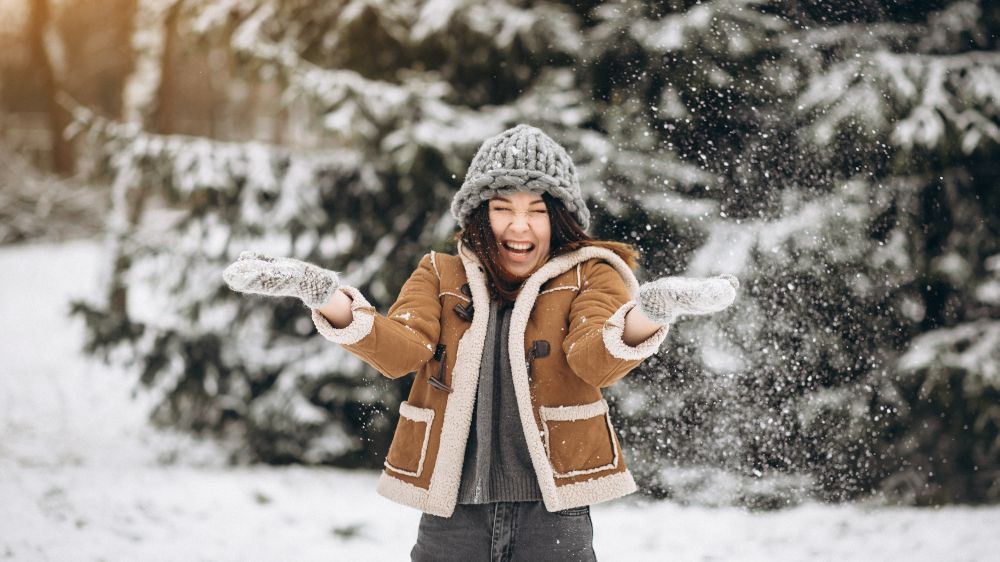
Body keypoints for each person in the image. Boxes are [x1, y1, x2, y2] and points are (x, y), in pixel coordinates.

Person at [223, 124, 739, 561]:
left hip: (552, 516)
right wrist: (325, 294)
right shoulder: (439, 273)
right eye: (501, 207)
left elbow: (595, 357)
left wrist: (651, 311)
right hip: (453, 516)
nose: (519, 225)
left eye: (537, 209)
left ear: (558, 219)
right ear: (478, 214)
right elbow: (400, 348)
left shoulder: (590, 276)